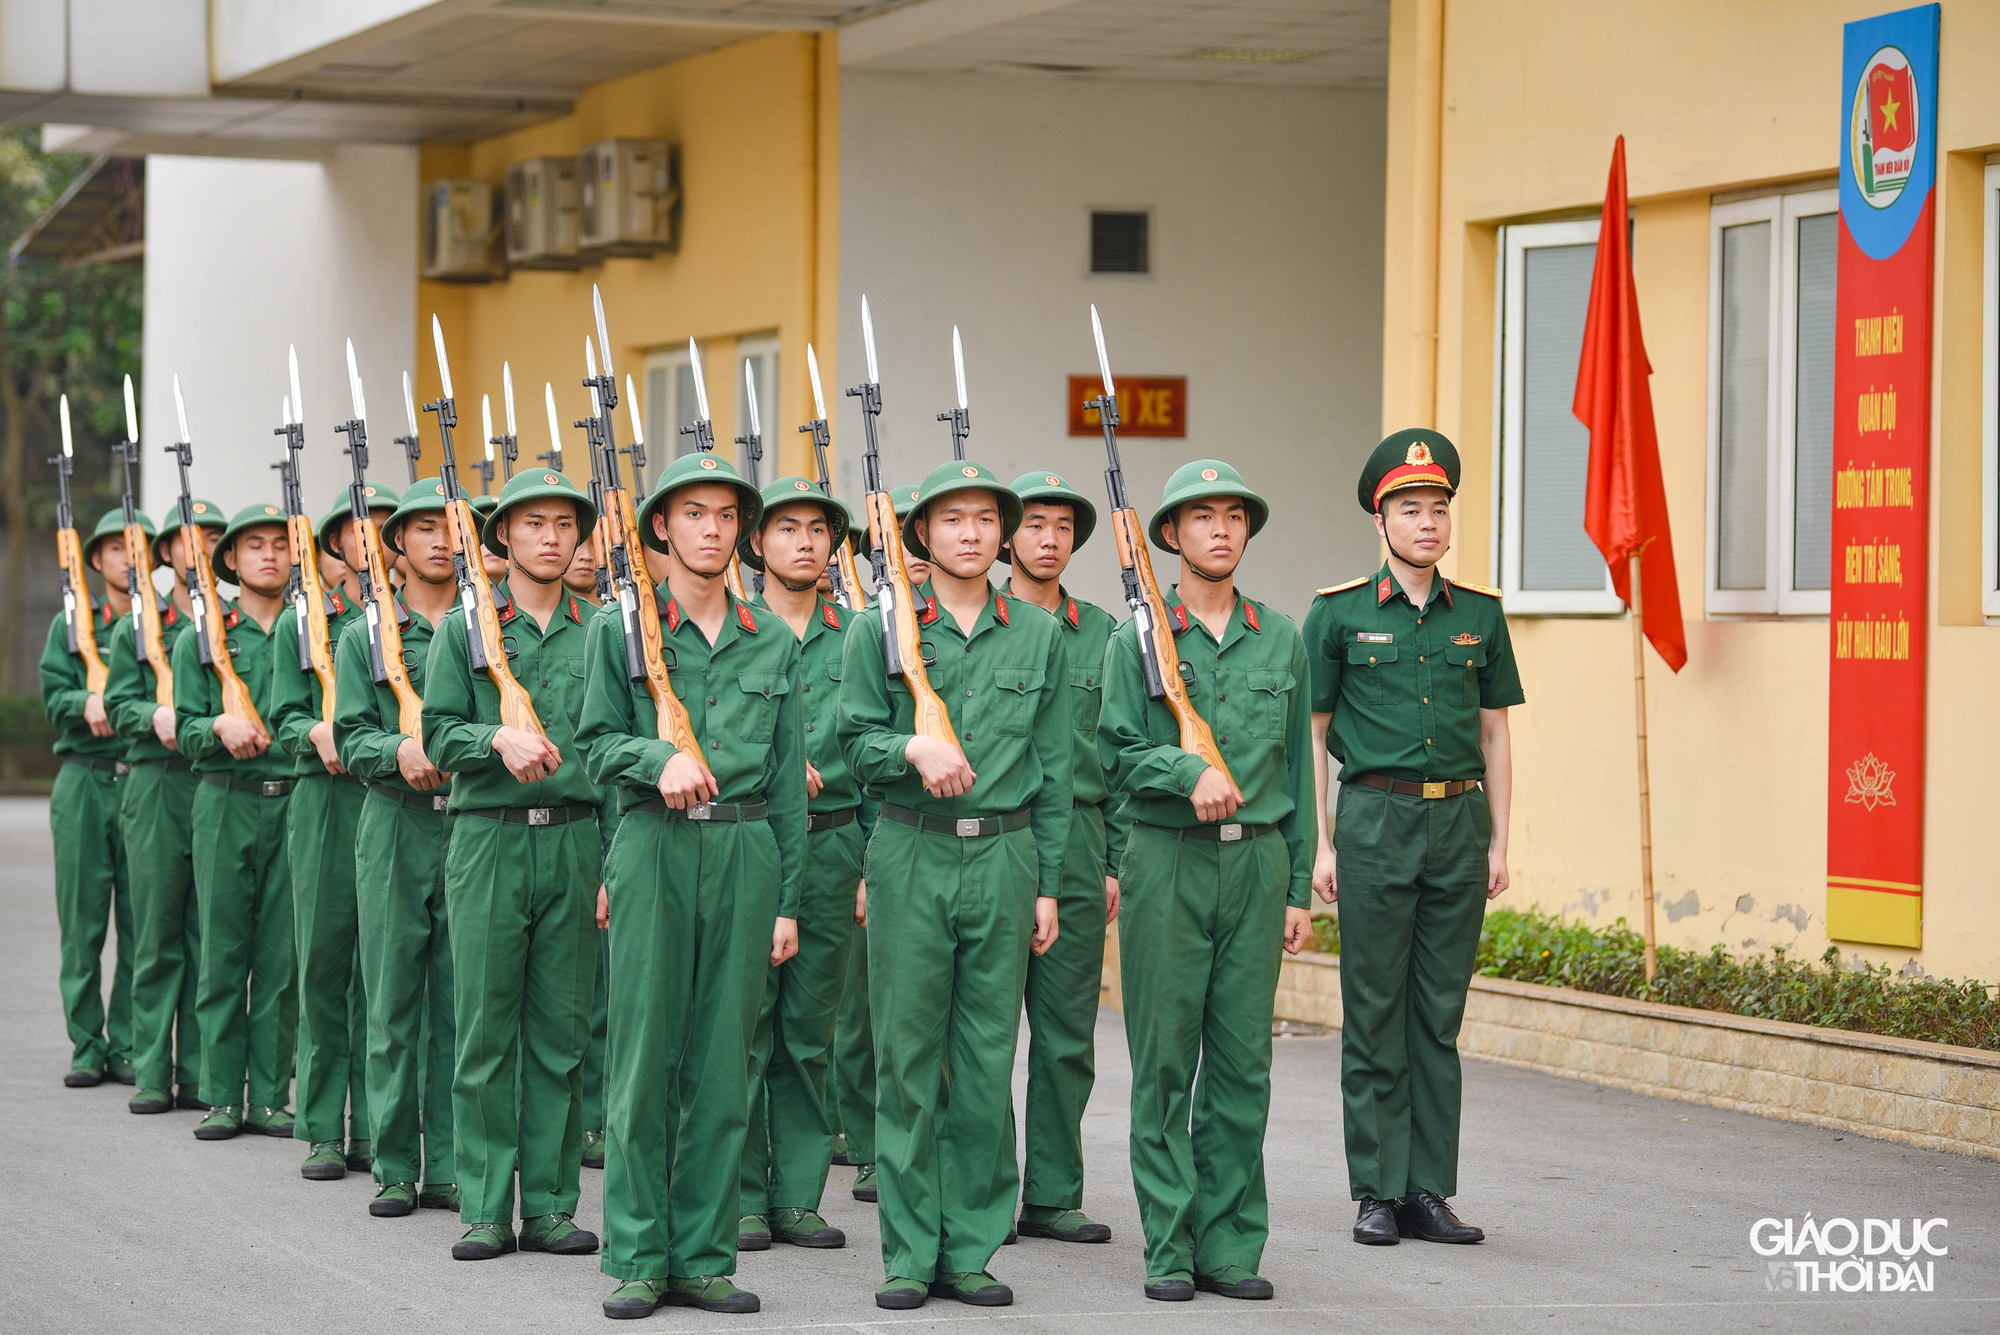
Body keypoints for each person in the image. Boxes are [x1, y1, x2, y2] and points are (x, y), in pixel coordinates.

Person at [838, 460, 1069, 1311]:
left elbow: (1055, 770)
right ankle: (907, 1251)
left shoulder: (1038, 634)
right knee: (906, 1058)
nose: (970, 533)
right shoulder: (880, 630)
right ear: (922, 534)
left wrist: (1044, 882)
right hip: (911, 849)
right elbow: (850, 742)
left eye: (984, 519)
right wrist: (911, 748)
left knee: (983, 1059)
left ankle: (969, 1247)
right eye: (951, 519)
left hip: (1006, 854)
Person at [578, 453, 805, 1319]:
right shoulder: (619, 631)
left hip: (745, 848)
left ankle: (704, 1255)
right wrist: (656, 756)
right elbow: (596, 745)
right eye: (693, 513)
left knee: (722, 1063)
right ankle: (637, 1254)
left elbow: (786, 781)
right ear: (661, 528)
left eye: (725, 515)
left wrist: (786, 896)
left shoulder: (772, 638)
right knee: (642, 1059)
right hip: (654, 844)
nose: (711, 529)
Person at [1098, 459, 1315, 1303]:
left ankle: (1229, 1242)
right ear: (1171, 536)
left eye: (1234, 516)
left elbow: (1297, 766)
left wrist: (1296, 885)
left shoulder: (1281, 635)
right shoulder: (1136, 640)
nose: (1220, 529)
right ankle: (1169, 1242)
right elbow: (1114, 755)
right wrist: (1183, 768)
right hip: (1167, 858)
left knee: (1240, 1063)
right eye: (1201, 517)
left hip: (1257, 859)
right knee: (1162, 1059)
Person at [1304, 430, 1520, 1248]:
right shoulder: (1339, 612)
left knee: (1437, 1015)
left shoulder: (1482, 615)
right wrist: (1319, 845)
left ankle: (1427, 1188)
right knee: (1375, 1011)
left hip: (1457, 824)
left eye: (1438, 508)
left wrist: (1500, 840)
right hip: (1373, 820)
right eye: (1409, 509)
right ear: (1380, 520)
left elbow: (1496, 735)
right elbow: (1313, 734)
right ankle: (1376, 1190)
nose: (1427, 522)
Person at [422, 468, 604, 1263]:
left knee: (562, 1034)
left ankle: (554, 1206)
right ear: (503, 538)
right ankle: (487, 1205)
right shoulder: (465, 631)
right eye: (533, 524)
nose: (551, 537)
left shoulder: (603, 628)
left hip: (575, 837)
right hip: (490, 837)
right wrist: (494, 737)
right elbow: (435, 734)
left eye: (565, 524)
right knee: (486, 1029)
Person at [734, 477, 869, 1257]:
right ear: (758, 543)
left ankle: (798, 1196)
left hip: (836, 842)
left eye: (819, 530)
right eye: (787, 529)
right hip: (754, 839)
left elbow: (881, 755)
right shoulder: (739, 630)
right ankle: (745, 1194)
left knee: (810, 1032)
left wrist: (868, 865)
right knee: (745, 1025)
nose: (806, 543)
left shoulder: (859, 633)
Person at [997, 471, 1121, 1244]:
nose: (1049, 539)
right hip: (1001, 830)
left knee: (1066, 1026)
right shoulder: (987, 620)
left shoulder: (1104, 631)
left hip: (1077, 839)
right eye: (1035, 524)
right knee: (978, 1027)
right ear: (1011, 535)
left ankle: (1052, 1192)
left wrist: (1114, 857)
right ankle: (981, 1189)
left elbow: (1125, 746)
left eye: (1063, 528)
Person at [334, 478, 461, 1218]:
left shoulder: (487, 633)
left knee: (459, 1000)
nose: (441, 540)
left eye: (451, 527)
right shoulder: (366, 635)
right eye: (423, 529)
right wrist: (396, 749)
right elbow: (351, 735)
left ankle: (447, 1163)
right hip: (393, 820)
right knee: (391, 995)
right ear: (399, 545)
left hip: (469, 821)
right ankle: (392, 1162)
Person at [270, 480, 399, 1180]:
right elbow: (282, 712)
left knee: (384, 970)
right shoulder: (307, 616)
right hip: (326, 797)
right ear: (332, 546)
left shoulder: (415, 616)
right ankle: (322, 1123)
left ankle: (382, 1123)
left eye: (384, 523)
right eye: (358, 526)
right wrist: (317, 728)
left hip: (390, 795)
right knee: (323, 958)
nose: (371, 535)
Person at [174, 503, 301, 1140]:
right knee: (223, 949)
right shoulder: (202, 635)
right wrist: (216, 724)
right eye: (254, 545)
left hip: (294, 801)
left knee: (281, 956)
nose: (270, 555)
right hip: (225, 798)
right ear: (231, 560)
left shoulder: (316, 629)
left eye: (281, 544)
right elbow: (185, 730)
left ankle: (271, 1095)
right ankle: (222, 1094)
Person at [107, 498, 226, 1113]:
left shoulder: (230, 621)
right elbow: (118, 703)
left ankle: (200, 1070)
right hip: (157, 778)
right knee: (156, 926)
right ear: (168, 553)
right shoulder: (140, 623)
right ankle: (151, 1066)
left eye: (211, 537)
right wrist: (157, 716)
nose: (200, 547)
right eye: (188, 538)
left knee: (209, 931)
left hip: (215, 783)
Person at [825, 481, 919, 1206]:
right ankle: (847, 1138)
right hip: (802, 827)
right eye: (897, 543)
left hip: (870, 832)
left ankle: (874, 1142)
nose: (911, 557)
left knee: (871, 1008)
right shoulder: (863, 629)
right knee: (838, 1020)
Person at [40, 507, 141, 1088]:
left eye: (137, 549)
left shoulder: (168, 625)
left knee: (141, 921)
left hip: (142, 781)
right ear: (97, 561)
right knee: (81, 921)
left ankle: (126, 1042)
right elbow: (53, 694)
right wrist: (86, 703)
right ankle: (86, 1042)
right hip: (84, 778)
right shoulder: (71, 625)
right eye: (116, 551)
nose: (129, 560)